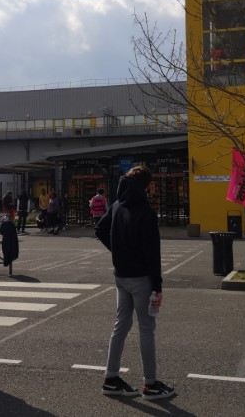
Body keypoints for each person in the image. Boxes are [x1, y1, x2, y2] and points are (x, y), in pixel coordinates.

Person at [94, 165, 175, 400]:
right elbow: (153, 253)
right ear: (147, 185)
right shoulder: (145, 211)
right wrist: (158, 287)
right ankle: (150, 384)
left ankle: (111, 378)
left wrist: (118, 251)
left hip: (121, 275)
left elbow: (100, 229)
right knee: (146, 329)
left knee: (120, 325)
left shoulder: (118, 205)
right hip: (141, 278)